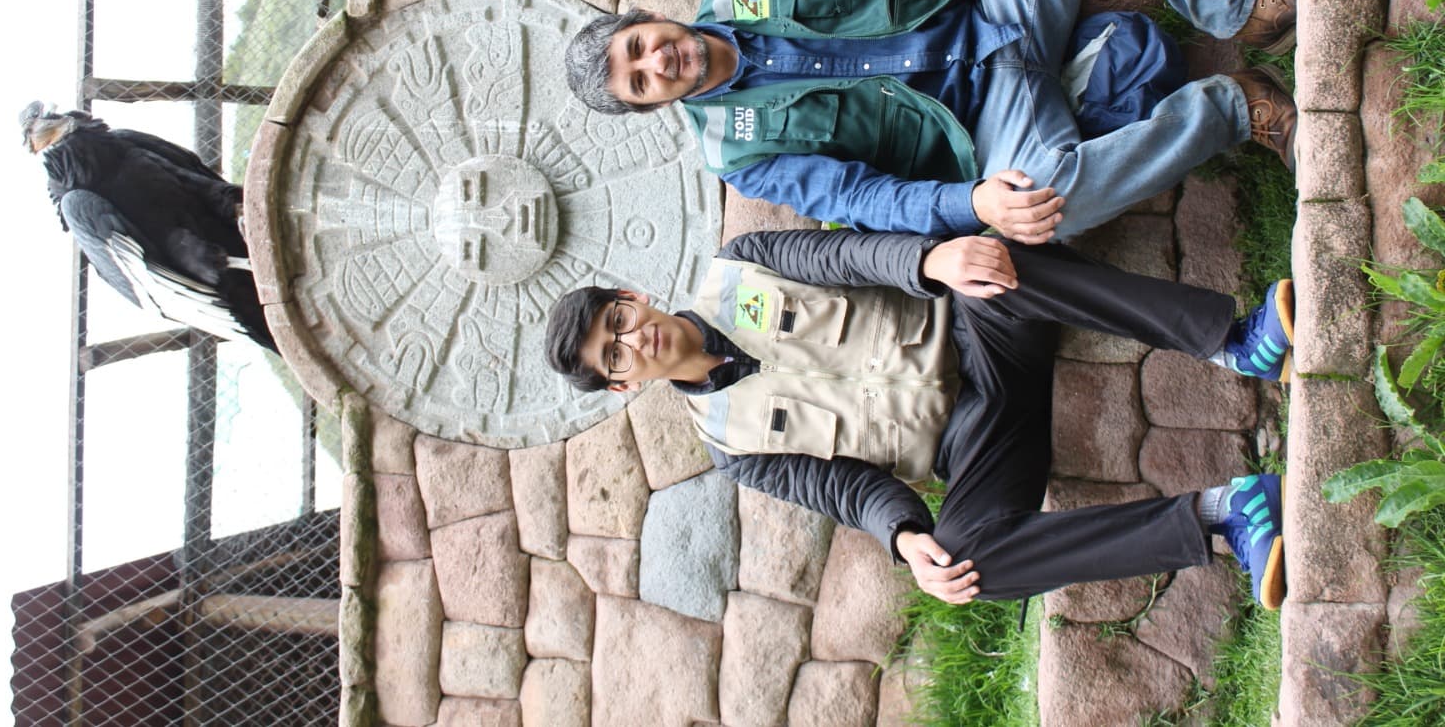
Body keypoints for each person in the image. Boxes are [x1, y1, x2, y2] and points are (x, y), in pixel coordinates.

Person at [564, 0, 1299, 244]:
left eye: (640, 44)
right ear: (650, 104)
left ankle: (1236, 6)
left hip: (998, 4)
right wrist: (972, 201)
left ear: (650, 17)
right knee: (1049, 211)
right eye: (639, 81)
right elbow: (860, 199)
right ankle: (1238, 108)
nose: (657, 61)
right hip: (988, 125)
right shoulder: (738, 152)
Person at [543, 227, 1293, 608]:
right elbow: (845, 491)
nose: (634, 340)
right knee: (970, 568)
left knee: (990, 266)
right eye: (616, 356)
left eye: (620, 319)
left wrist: (930, 263)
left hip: (981, 336)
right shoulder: (731, 448)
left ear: (633, 296)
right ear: (622, 387)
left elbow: (848, 258)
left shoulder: (740, 263)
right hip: (975, 445)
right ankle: (1225, 516)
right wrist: (905, 539)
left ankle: (1236, 342)